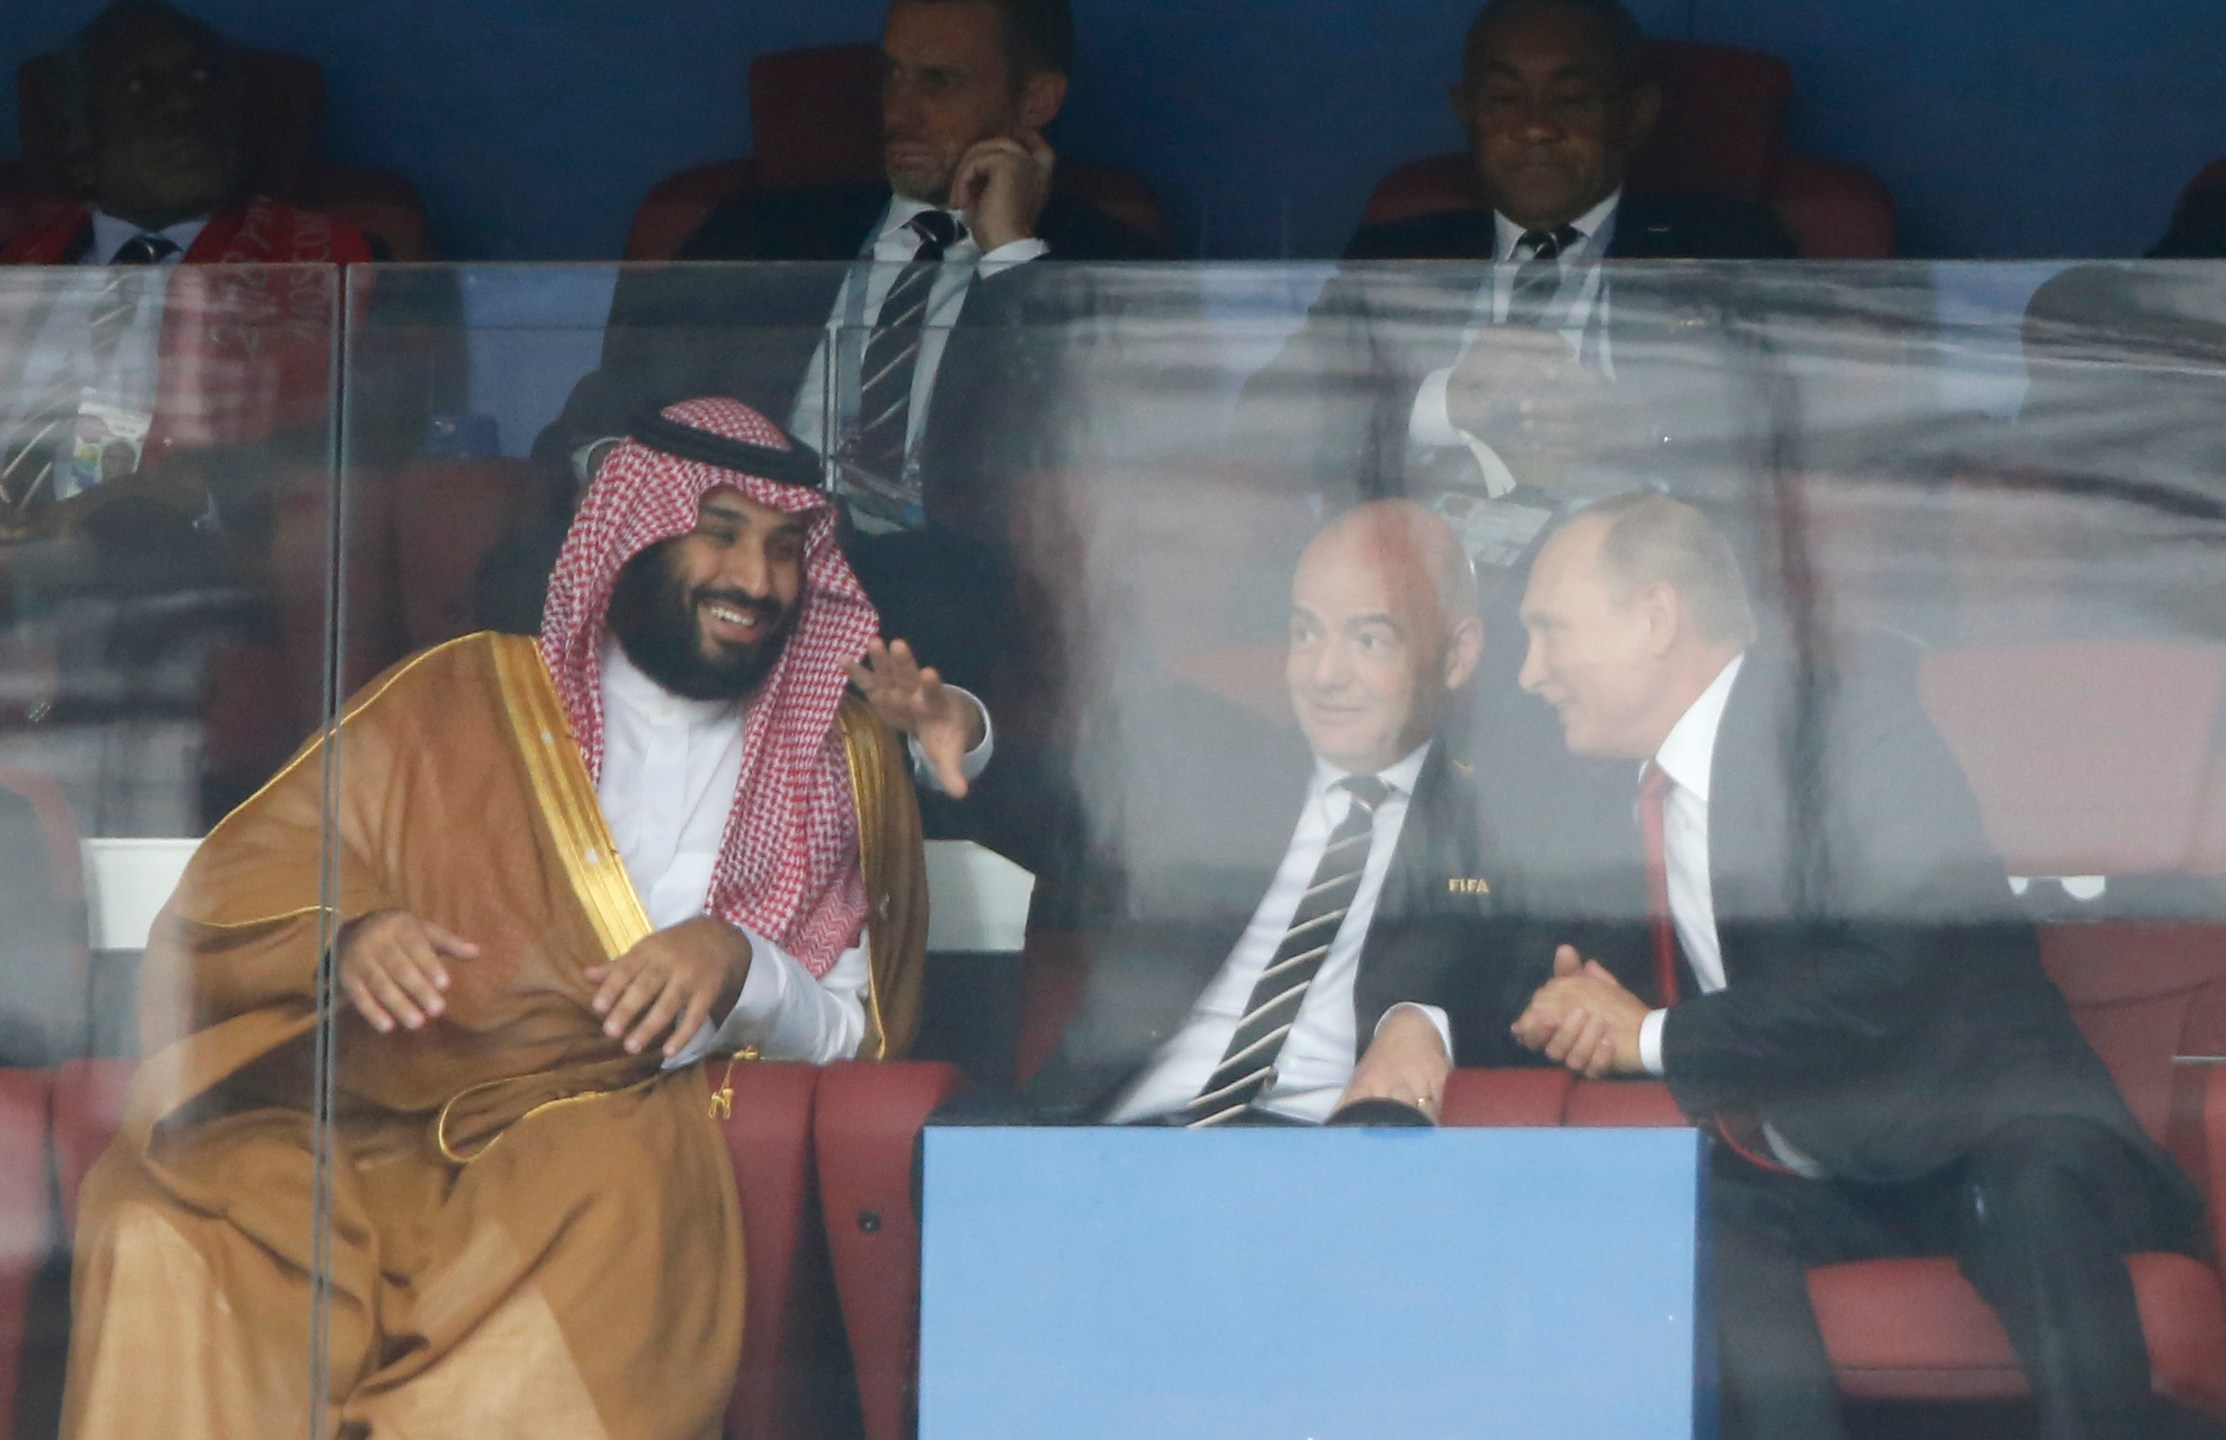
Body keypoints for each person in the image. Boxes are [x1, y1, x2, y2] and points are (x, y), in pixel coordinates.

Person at [58, 397, 991, 1437]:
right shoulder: (458, 698)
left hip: (596, 1140)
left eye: (783, 549)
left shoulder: (834, 755)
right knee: (161, 1225)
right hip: (375, 1120)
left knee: (611, 1200)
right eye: (718, 533)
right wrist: (350, 934)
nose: (757, 581)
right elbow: (247, 881)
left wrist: (741, 965)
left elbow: (859, 1031)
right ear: (634, 532)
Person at [1506, 492, 2210, 1440]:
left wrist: (1649, 1036)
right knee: (1683, 1220)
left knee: (2029, 1190)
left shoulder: (1849, 730)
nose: (1529, 674)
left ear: (1655, 618)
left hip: (1989, 1126)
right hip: (1821, 1164)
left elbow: (1897, 973)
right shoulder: (1608, 796)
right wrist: (1525, 1013)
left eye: (1550, 633)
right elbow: (1531, 962)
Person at [1010, 501, 1537, 1125]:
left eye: (1370, 639)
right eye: (1306, 633)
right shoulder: (1209, 771)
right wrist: (967, 736)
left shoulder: (1492, 825)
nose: (1324, 674)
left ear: (1457, 653)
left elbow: (1526, 976)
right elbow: (1044, 811)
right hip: (1118, 1138)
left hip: (1322, 1160)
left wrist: (1424, 1020)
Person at [0, 0, 372, 541]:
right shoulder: (19, 270)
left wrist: (158, 497)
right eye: (138, 86)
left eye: (203, 78)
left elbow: (347, 442)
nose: (182, 103)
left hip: (170, 563)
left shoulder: (325, 262)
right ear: (77, 141)